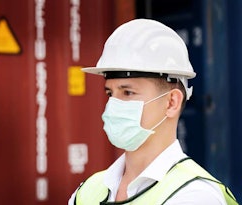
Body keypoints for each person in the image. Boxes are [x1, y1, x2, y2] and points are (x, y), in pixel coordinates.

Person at [68, 19, 238, 205]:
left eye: (127, 92)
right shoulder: (88, 191)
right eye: (110, 93)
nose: (113, 105)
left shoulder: (195, 195)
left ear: (172, 102)